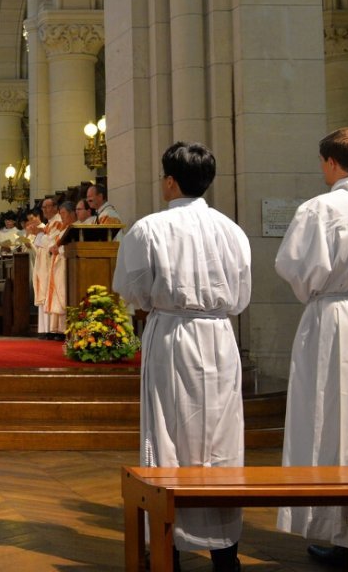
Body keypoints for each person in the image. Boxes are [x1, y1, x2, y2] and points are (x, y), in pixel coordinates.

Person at [112, 141, 251, 572]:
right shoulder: (232, 230)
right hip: (219, 336)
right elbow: (242, 293)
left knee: (169, 433)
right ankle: (225, 551)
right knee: (222, 437)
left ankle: (168, 546)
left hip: (171, 334)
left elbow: (131, 288)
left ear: (170, 181)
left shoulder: (149, 228)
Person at [275, 127, 348, 565]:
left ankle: (336, 532)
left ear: (331, 163)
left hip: (336, 320)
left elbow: (296, 268)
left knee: (331, 419)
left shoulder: (320, 208)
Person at [43, 201, 78, 340]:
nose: (62, 216)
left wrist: (59, 250)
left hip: (66, 265)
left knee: (63, 296)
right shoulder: (64, 229)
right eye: (61, 214)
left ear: (71, 213)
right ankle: (58, 329)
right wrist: (53, 249)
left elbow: (73, 246)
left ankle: (65, 329)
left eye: (63, 213)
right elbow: (55, 244)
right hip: (58, 264)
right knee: (58, 297)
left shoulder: (74, 228)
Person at [29, 197, 61, 338]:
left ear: (55, 207)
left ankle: (50, 329)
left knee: (49, 294)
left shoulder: (58, 222)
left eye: (47, 207)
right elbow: (43, 245)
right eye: (43, 208)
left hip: (51, 265)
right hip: (43, 265)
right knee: (44, 293)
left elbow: (53, 242)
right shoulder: (49, 224)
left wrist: (39, 235)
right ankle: (45, 329)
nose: (44, 210)